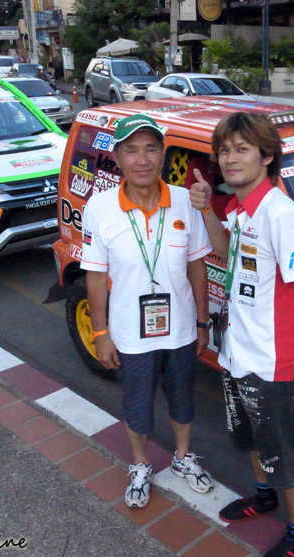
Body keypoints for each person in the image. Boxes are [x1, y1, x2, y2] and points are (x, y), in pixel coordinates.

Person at [189, 112, 294, 557]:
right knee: (250, 440)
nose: (230, 159)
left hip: (276, 367)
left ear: (267, 157)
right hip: (238, 356)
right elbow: (226, 252)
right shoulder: (240, 209)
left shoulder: (281, 216)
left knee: (285, 458)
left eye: (242, 149)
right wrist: (206, 209)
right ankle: (264, 497)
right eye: (224, 150)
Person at [81, 114, 215, 509]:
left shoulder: (184, 201)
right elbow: (95, 277)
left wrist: (202, 322)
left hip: (181, 329)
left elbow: (197, 266)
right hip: (129, 333)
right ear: (117, 158)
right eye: (132, 151)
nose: (142, 160)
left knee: (183, 399)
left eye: (151, 149)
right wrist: (101, 334)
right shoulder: (100, 207)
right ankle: (140, 464)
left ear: (162, 154)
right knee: (137, 404)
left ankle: (182, 457)